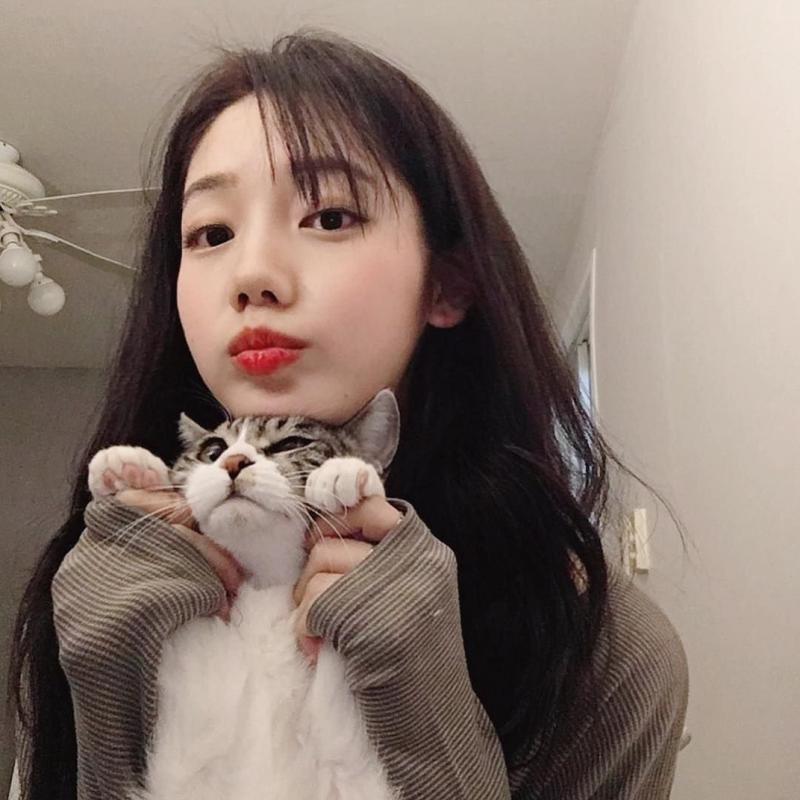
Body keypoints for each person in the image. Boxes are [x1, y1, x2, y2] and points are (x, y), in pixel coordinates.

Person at [6, 29, 688, 800]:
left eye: (329, 217)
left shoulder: (606, 652)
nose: (251, 275)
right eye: (212, 233)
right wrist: (106, 690)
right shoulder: (101, 581)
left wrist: (427, 720)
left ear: (447, 283)